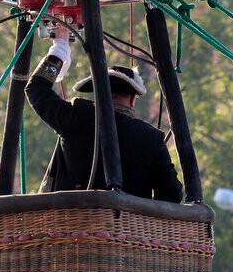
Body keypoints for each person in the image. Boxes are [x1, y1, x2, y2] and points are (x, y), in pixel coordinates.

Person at [25, 26, 183, 202]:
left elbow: (36, 89)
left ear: (97, 93)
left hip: (68, 226)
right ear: (132, 99)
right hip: (126, 229)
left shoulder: (76, 116)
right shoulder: (151, 138)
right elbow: (172, 195)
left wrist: (60, 47)